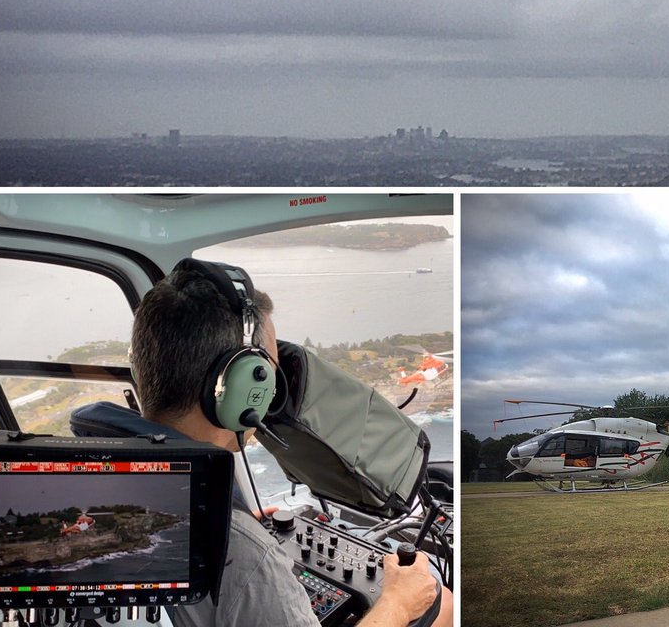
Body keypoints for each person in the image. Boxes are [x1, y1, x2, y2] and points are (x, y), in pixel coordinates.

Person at [129, 261, 452, 627]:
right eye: (267, 371)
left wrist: (235, 521)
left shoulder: (133, 477)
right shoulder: (240, 550)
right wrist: (397, 602)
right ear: (239, 387)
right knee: (444, 607)